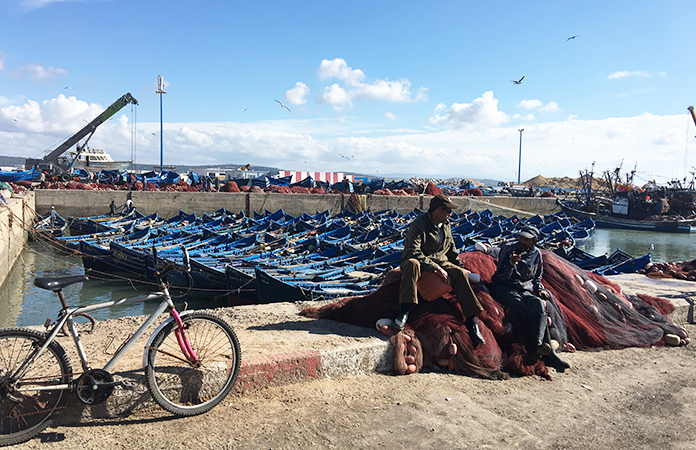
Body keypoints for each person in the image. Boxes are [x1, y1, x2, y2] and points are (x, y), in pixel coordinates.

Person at [394, 194, 486, 346]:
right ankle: (404, 309)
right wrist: (435, 268)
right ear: (437, 210)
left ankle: (471, 321)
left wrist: (461, 268)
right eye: (448, 211)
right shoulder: (419, 224)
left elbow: (451, 250)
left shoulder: (446, 224)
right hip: (420, 259)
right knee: (412, 264)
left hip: (441, 260)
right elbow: (412, 250)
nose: (450, 214)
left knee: (460, 274)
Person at [490, 225, 570, 370]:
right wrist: (511, 264)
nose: (522, 241)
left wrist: (540, 289)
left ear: (534, 241)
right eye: (521, 237)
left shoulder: (537, 254)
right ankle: (545, 352)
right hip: (504, 288)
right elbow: (500, 275)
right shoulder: (508, 249)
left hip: (524, 290)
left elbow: (537, 277)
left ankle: (539, 346)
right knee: (525, 308)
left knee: (538, 304)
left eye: (526, 239)